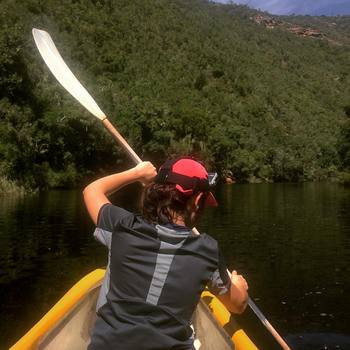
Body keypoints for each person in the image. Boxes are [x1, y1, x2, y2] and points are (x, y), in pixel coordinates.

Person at [83, 157, 249, 350]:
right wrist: (239, 286)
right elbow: (238, 305)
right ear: (196, 201)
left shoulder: (122, 226)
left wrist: (136, 173)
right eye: (204, 201)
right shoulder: (207, 251)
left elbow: (92, 190)